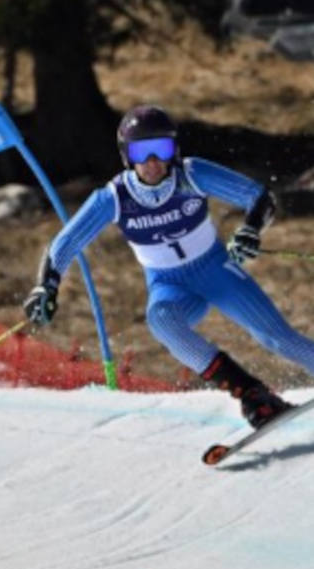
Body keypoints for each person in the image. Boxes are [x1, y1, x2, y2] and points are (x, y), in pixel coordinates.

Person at [24, 104, 314, 428]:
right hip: (170, 287)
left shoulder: (191, 174)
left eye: (160, 149)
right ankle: (251, 394)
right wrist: (46, 285)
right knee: (161, 320)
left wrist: (251, 229)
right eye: (141, 152)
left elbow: (260, 197)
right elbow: (65, 242)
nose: (152, 162)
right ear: (126, 155)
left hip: (216, 272)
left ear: (173, 149)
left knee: (276, 338)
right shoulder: (115, 197)